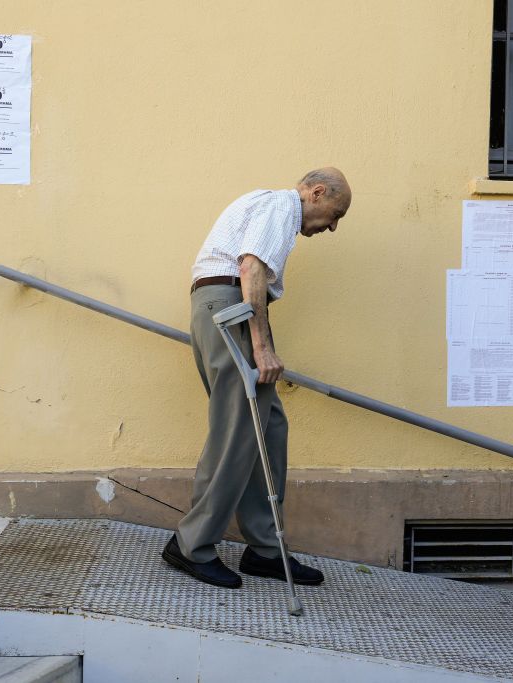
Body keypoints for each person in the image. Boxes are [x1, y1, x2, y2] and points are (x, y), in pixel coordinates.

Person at [162, 167, 352, 589]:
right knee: (238, 428)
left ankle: (265, 548)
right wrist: (261, 346)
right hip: (232, 307)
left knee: (268, 425)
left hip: (227, 308)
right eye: (334, 213)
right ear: (316, 192)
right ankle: (191, 544)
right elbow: (250, 269)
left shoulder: (268, 205)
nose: (333, 226)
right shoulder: (280, 206)